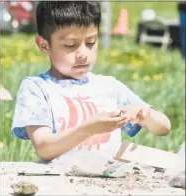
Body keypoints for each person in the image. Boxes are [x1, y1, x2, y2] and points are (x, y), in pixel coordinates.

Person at [11, 1, 171, 162]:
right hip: (58, 183)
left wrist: (147, 115)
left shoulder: (108, 86)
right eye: (70, 45)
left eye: (91, 42)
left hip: (107, 184)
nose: (83, 54)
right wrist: (87, 130)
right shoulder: (37, 87)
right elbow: (44, 148)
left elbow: (164, 128)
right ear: (44, 45)